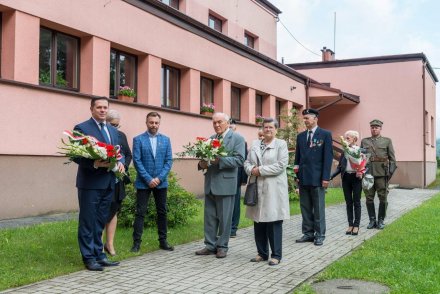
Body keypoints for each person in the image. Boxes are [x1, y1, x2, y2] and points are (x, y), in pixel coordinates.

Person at [74, 96, 125, 271]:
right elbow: (75, 155)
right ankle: (88, 258)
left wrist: (120, 163)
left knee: (100, 221)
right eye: (99, 107)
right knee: (88, 221)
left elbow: (119, 152)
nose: (103, 110)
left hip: (109, 182)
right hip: (90, 183)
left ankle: (99, 255)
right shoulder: (82, 128)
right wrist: (94, 163)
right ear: (92, 109)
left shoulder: (112, 130)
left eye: (105, 107)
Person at [195, 112, 245, 258]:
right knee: (209, 217)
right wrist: (202, 163)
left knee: (224, 218)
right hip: (210, 182)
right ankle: (210, 245)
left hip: (226, 183)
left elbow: (240, 160)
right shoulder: (211, 139)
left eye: (219, 122)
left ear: (227, 122)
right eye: (214, 123)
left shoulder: (237, 138)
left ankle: (222, 246)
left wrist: (220, 161)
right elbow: (206, 159)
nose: (216, 125)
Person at [244, 117, 289, 266]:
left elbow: (281, 165)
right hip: (257, 187)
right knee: (258, 221)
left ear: (276, 130)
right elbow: (247, 162)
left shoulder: (281, 144)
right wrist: (251, 169)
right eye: (266, 127)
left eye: (271, 127)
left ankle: (276, 255)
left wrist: (259, 170)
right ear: (262, 129)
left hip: (274, 188)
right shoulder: (256, 144)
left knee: (274, 221)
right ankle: (262, 253)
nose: (268, 130)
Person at [131, 112, 174, 252]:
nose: (154, 125)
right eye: (151, 122)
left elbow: (168, 161)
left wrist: (159, 178)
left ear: (159, 123)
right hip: (144, 182)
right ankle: (136, 243)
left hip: (161, 183)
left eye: (156, 123)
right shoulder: (138, 139)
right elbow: (137, 161)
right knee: (140, 212)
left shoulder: (166, 140)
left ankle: (163, 241)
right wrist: (149, 179)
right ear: (146, 122)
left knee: (162, 212)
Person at [294, 108, 333, 246]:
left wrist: (326, 178)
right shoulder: (300, 136)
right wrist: (296, 175)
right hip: (304, 177)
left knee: (318, 207)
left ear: (316, 118)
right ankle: (308, 233)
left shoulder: (325, 134)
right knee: (305, 207)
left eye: (307, 118)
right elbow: (297, 158)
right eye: (304, 118)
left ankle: (320, 234)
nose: (305, 121)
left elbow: (328, 158)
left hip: (318, 177)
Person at [104, 110, 132, 256]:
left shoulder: (121, 136)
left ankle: (109, 244)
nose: (115, 128)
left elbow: (128, 154)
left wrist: (123, 166)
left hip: (117, 180)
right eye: (113, 125)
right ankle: (98, 245)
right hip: (103, 179)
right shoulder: (101, 135)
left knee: (114, 210)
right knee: (102, 211)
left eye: (117, 125)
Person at [361, 119, 396, 230]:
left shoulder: (387, 141)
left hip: (382, 174)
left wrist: (389, 173)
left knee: (383, 197)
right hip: (368, 173)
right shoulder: (364, 141)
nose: (374, 129)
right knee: (369, 198)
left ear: (380, 128)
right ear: (370, 128)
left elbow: (392, 159)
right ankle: (372, 220)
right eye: (372, 127)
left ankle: (380, 220)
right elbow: (361, 157)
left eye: (376, 127)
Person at [330, 130, 363, 235]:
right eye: (345, 138)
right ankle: (350, 225)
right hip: (346, 178)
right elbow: (340, 167)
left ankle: (356, 226)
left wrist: (362, 173)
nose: (345, 140)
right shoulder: (344, 151)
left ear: (355, 139)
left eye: (348, 138)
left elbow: (365, 166)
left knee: (356, 202)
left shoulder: (360, 150)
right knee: (349, 203)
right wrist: (330, 176)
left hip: (356, 178)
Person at [228, 119, 248, 238]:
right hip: (224, 176)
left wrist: (243, 179)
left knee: (235, 203)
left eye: (232, 125)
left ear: (235, 127)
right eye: (229, 125)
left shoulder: (241, 141)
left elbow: (244, 161)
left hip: (237, 176)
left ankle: (233, 228)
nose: (230, 127)